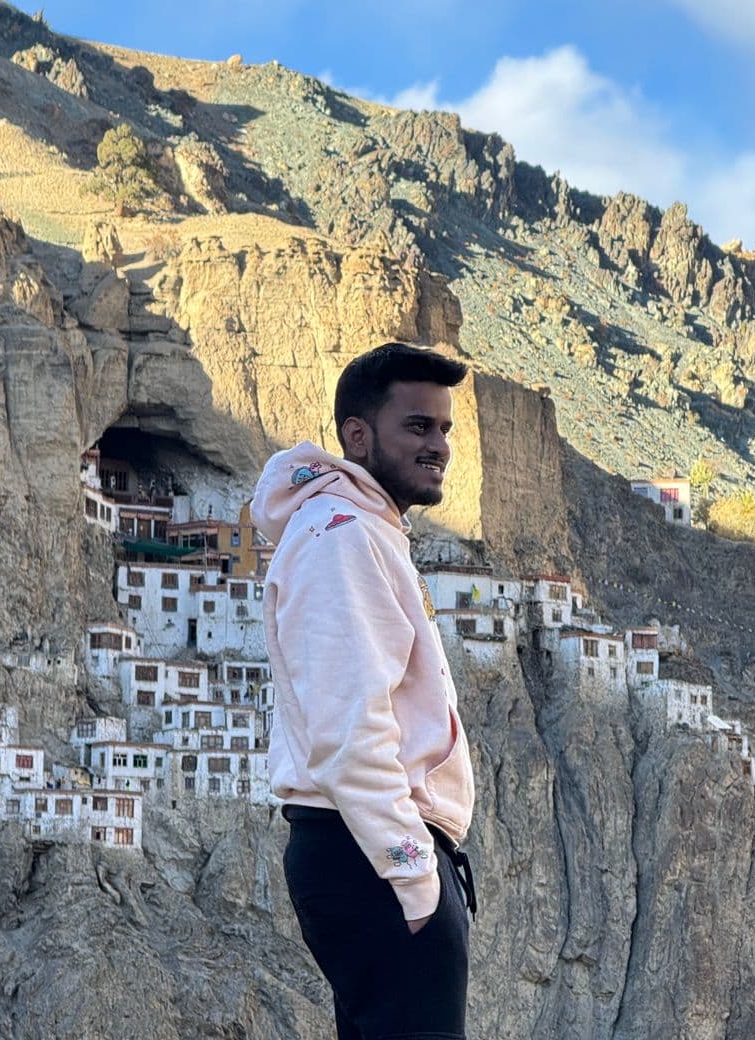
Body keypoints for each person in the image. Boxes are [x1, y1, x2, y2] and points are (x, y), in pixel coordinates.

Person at [251, 342, 477, 1040]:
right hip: (370, 857)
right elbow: (351, 730)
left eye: (443, 429)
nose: (437, 445)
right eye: (417, 426)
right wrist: (413, 875)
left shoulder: (364, 531)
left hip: (368, 856)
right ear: (357, 435)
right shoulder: (341, 537)